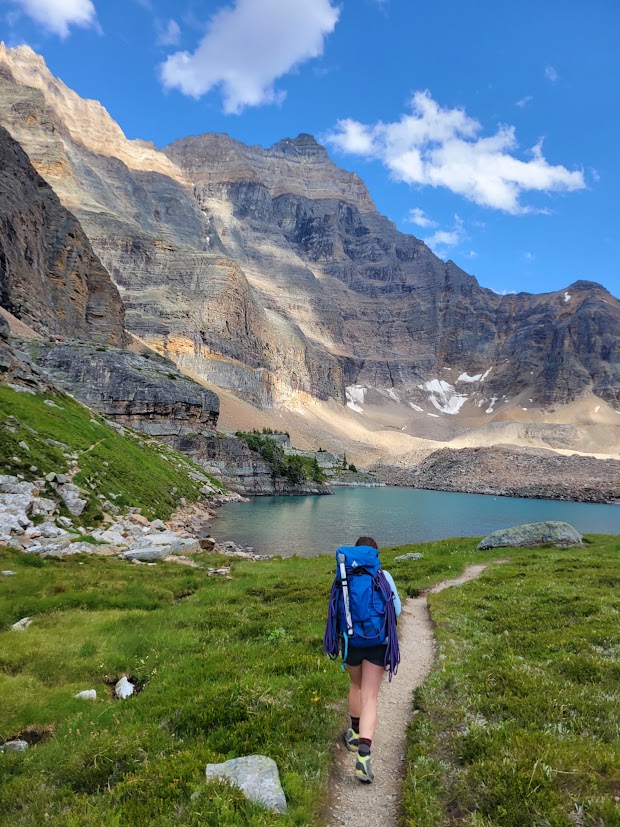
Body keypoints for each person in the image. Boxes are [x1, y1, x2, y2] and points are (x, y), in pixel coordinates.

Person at [339, 536, 401, 783]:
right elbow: (397, 610)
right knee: (370, 696)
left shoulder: (345, 577)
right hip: (377, 643)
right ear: (376, 555)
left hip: (352, 641)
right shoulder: (383, 577)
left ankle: (353, 733)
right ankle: (363, 757)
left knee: (355, 686)